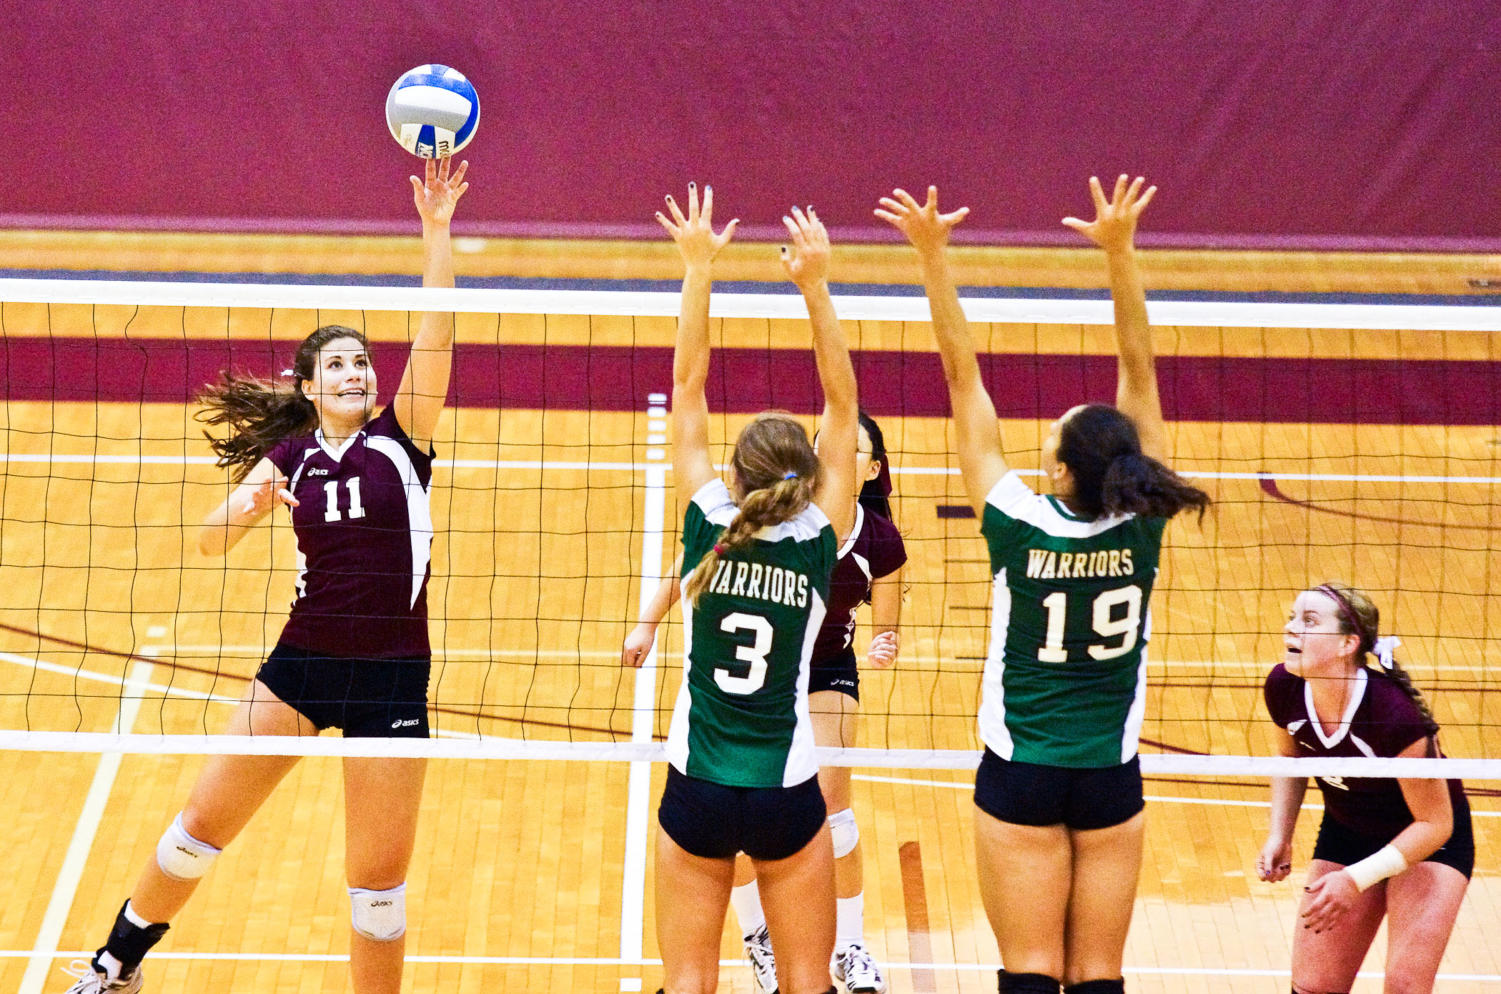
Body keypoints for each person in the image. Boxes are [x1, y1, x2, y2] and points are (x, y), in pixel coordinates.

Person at [61, 156, 470, 994]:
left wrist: (436, 232)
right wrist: (248, 506)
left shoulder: (406, 434)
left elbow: (437, 330)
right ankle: (114, 966)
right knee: (197, 830)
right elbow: (208, 541)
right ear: (313, 388)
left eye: (362, 362)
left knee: (377, 894)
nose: (356, 373)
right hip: (299, 667)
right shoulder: (289, 457)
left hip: (392, 679)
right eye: (339, 367)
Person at [877, 176, 1210, 994]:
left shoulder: (1014, 522)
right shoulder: (1142, 524)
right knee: (1097, 976)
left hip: (1019, 771)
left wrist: (931, 258)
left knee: (1028, 974)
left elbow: (963, 379)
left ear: (1057, 469)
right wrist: (1120, 256)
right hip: (1108, 772)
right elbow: (1141, 368)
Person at [633, 182, 858, 994]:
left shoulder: (705, 519)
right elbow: (844, 404)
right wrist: (815, 285)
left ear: (735, 475)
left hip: (697, 785)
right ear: (808, 479)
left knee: (688, 984)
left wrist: (698, 269)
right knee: (807, 985)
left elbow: (687, 385)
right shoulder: (820, 536)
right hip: (785, 790)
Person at [623, 408, 905, 994]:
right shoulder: (808, 532)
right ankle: (762, 937)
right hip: (776, 716)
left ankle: (849, 942)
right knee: (787, 824)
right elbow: (687, 571)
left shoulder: (872, 536)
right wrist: (648, 620)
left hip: (823, 668)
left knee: (834, 807)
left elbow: (888, 620)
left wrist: (886, 642)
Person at [1257, 581, 1472, 994]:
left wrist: (1355, 879)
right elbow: (1290, 759)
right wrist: (1279, 835)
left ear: (1347, 643)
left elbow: (1434, 823)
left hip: (1427, 838)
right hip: (1349, 830)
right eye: (1292, 618)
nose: (1291, 629)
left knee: (1405, 985)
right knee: (1314, 985)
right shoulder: (1283, 687)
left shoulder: (1394, 718)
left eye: (1309, 621)